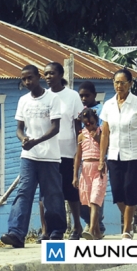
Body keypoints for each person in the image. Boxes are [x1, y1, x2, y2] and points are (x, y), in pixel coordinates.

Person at [0, 65, 66, 248]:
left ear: (39, 77)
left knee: (51, 195)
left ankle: (56, 231)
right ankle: (16, 233)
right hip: (29, 156)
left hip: (49, 156)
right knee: (24, 191)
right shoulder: (23, 100)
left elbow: (56, 127)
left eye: (30, 78)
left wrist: (36, 141)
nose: (28, 82)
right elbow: (19, 129)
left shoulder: (52, 99)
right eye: (24, 79)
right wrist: (24, 140)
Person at [99, 69, 137, 240]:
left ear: (130, 84)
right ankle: (129, 219)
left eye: (123, 83)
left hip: (135, 155)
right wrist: (101, 159)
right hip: (114, 155)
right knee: (118, 192)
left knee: (130, 190)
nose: (119, 86)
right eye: (116, 82)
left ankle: (126, 229)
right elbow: (104, 133)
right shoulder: (108, 105)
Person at [37, 62, 83, 241]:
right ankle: (45, 230)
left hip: (67, 151)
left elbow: (78, 126)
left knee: (70, 192)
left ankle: (77, 227)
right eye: (46, 74)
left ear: (60, 75)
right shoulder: (43, 96)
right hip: (47, 152)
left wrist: (80, 152)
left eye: (52, 73)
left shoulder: (72, 96)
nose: (48, 77)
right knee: (45, 194)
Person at [73, 108, 107, 240]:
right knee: (87, 201)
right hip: (85, 168)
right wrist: (75, 175)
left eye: (93, 123)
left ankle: (92, 229)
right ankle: (97, 232)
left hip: (99, 168)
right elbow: (78, 156)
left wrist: (97, 137)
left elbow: (106, 147)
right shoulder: (81, 135)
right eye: (87, 124)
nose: (90, 126)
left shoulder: (102, 132)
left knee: (95, 199)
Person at [77, 81, 105, 235]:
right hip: (85, 162)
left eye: (87, 95)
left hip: (98, 160)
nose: (83, 99)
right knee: (85, 198)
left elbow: (103, 136)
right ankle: (96, 228)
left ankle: (94, 227)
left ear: (94, 95)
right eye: (81, 96)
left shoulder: (100, 111)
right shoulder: (81, 112)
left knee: (96, 196)